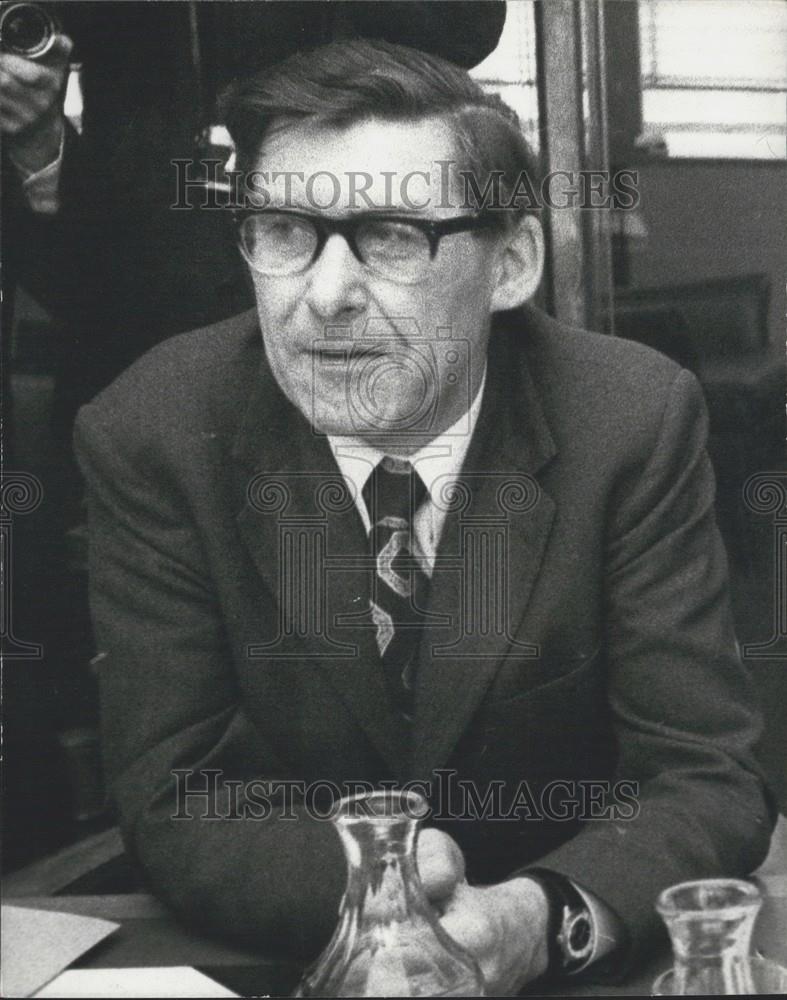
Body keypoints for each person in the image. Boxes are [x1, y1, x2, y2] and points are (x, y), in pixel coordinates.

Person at [74, 39, 774, 994]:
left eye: (394, 237)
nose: (322, 296)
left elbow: (705, 774)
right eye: (284, 232)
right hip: (297, 956)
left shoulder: (629, 418)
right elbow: (177, 793)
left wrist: (542, 918)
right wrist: (392, 893)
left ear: (512, 263)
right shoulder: (152, 428)